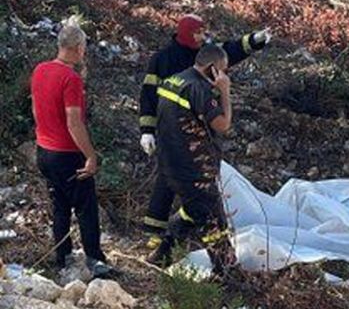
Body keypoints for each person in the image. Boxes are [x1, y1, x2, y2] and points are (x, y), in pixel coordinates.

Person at [139, 14, 271, 236]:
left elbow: (226, 52)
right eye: (198, 32)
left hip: (191, 133)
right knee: (177, 186)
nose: (203, 36)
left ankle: (168, 238)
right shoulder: (164, 60)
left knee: (174, 181)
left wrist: (254, 40)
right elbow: (148, 97)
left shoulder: (202, 57)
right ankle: (163, 234)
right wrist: (147, 131)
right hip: (174, 133)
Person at [146, 44, 236, 274]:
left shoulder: (175, 80)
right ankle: (226, 274)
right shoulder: (198, 89)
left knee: (190, 211)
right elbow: (223, 124)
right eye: (223, 70)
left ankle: (161, 256)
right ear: (212, 68)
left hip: (170, 162)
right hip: (194, 168)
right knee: (215, 223)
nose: (225, 75)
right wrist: (224, 90)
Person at [31, 23, 111, 277]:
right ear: (79, 48)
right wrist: (90, 155)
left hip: (44, 150)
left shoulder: (40, 70)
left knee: (60, 206)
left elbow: (35, 108)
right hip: (67, 153)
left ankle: (62, 257)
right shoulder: (71, 79)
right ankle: (95, 261)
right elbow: (74, 122)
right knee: (86, 207)